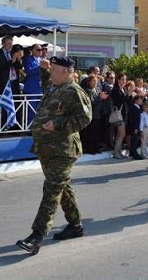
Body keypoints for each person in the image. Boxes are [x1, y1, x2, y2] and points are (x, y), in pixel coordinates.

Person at [16, 56, 92, 255]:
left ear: (66, 73)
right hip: (46, 147)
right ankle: (75, 225)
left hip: (63, 150)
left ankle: (37, 236)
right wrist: (43, 71)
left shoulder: (74, 91)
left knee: (51, 190)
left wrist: (58, 125)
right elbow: (47, 86)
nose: (51, 73)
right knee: (62, 187)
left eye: (54, 70)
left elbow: (85, 118)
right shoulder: (56, 87)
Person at [127, 95, 144, 160]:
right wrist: (135, 128)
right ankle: (134, 153)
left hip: (137, 126)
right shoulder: (133, 108)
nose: (141, 101)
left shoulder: (138, 108)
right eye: (139, 99)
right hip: (134, 127)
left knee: (135, 140)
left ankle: (132, 152)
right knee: (134, 140)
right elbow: (133, 119)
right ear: (135, 100)